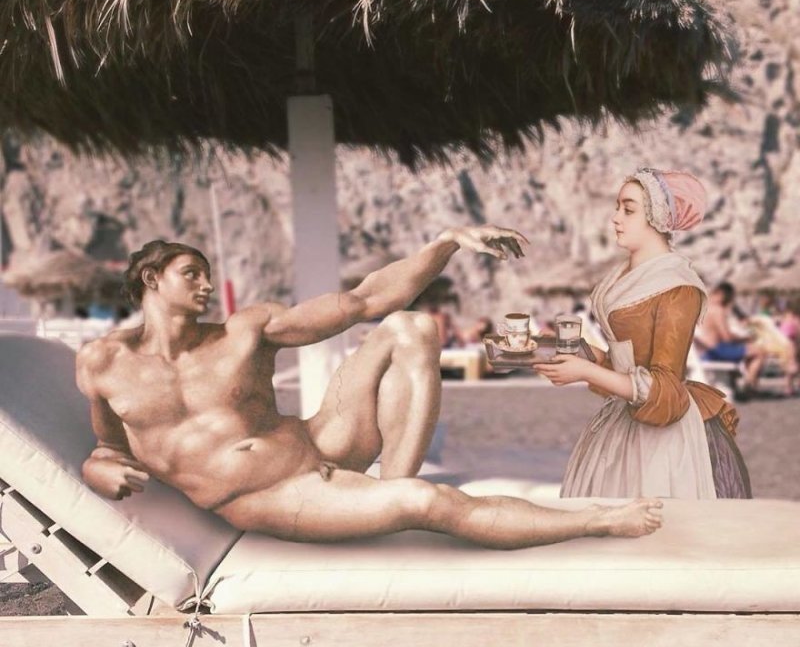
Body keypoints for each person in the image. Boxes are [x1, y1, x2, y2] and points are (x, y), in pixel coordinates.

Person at [76, 228, 663, 549]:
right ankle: (597, 521)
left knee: (409, 327)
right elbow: (109, 447)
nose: (206, 285)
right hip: (271, 495)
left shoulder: (244, 331)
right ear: (152, 279)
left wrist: (446, 243)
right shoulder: (103, 363)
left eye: (207, 273)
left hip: (321, 440)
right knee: (428, 503)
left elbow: (365, 300)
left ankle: (393, 490)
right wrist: (96, 471)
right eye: (191, 274)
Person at [535, 169, 751, 499]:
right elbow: (625, 366)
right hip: (620, 423)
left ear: (656, 218)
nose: (616, 218)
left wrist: (586, 371)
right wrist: (590, 357)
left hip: (662, 442)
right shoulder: (622, 275)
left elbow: (666, 390)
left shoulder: (677, 288)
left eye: (628, 209)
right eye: (617, 207)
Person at [696, 282, 767, 397]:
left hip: (706, 351)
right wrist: (746, 338)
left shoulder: (703, 307)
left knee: (748, 351)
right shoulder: (717, 310)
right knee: (760, 352)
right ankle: (748, 386)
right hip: (718, 351)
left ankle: (739, 386)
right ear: (722, 294)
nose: (728, 301)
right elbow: (727, 337)